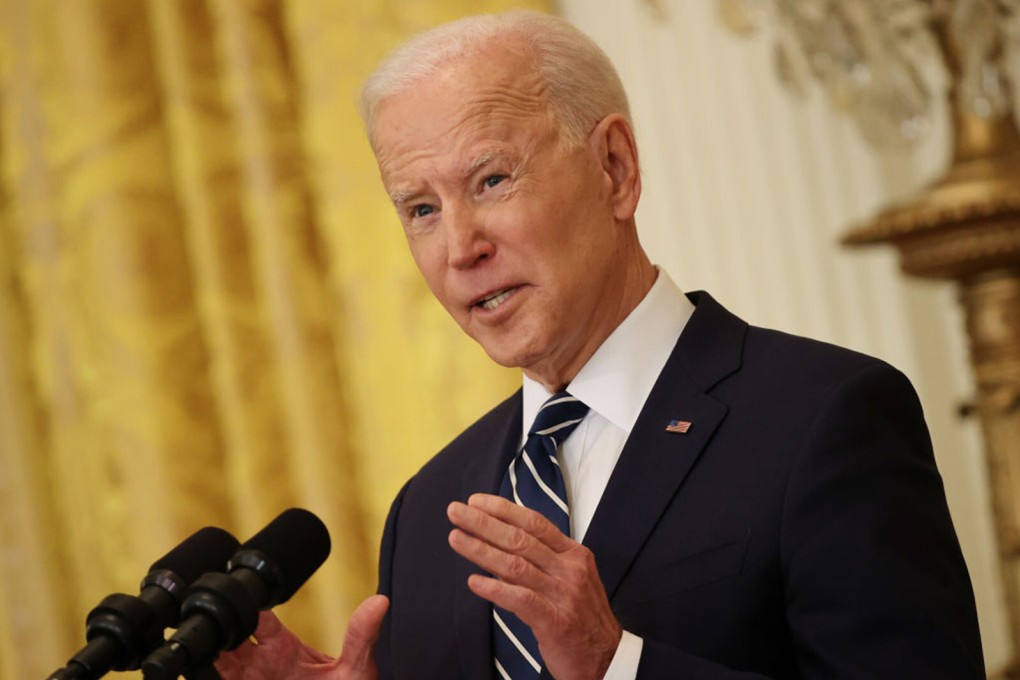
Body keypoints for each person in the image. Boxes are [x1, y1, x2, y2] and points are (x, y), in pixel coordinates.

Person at [216, 10, 984, 680]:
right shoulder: (427, 513)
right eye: (420, 208)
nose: (459, 247)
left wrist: (620, 666)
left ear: (614, 168)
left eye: (490, 180)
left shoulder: (824, 419)